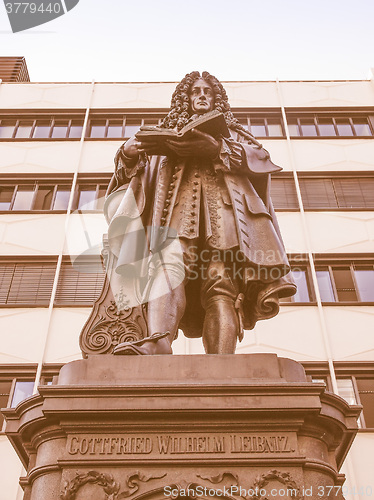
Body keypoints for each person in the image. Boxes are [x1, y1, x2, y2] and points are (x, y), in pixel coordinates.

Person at [104, 71, 296, 355]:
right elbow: (135, 177)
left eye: (208, 91)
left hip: (228, 217)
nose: (202, 95)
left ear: (217, 98)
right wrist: (129, 153)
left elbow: (261, 160)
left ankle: (222, 359)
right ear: (186, 98)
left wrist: (217, 147)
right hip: (176, 215)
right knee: (167, 270)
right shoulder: (164, 132)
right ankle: (158, 341)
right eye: (195, 91)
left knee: (222, 284)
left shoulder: (236, 135)